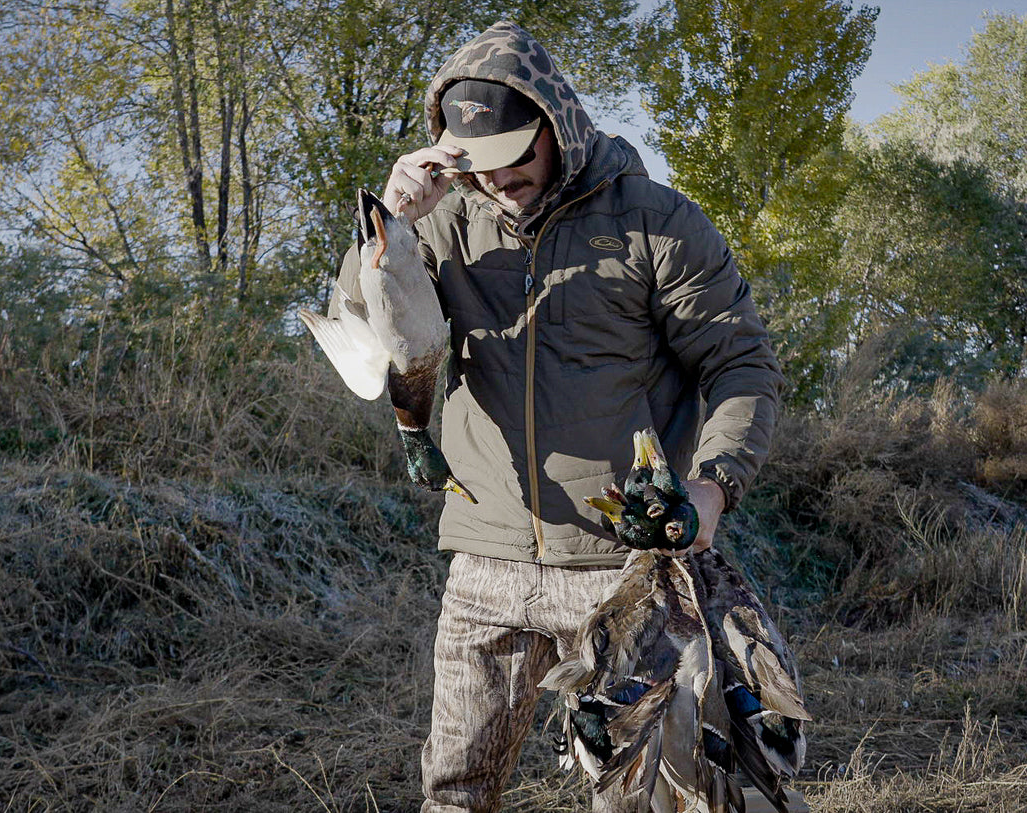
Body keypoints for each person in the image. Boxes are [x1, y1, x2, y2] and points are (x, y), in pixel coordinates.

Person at [334, 20, 787, 813]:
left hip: (624, 567)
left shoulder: (657, 222)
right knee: (453, 790)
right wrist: (389, 224)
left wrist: (712, 488)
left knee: (644, 795)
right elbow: (368, 336)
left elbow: (741, 364)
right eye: (480, 163)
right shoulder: (437, 225)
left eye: (516, 153)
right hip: (485, 562)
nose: (500, 178)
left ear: (559, 123)